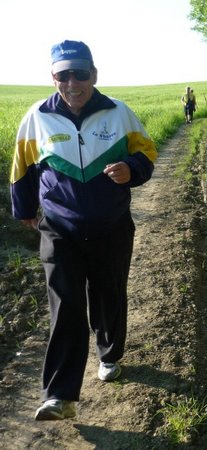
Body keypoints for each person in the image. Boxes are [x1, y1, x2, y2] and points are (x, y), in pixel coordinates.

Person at [9, 40, 157, 420]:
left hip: (111, 226)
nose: (72, 83)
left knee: (109, 294)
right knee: (65, 305)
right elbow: (22, 167)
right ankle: (59, 396)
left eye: (80, 74)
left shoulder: (119, 113)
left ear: (94, 74)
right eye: (64, 75)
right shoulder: (37, 117)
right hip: (60, 228)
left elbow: (146, 154)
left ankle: (109, 355)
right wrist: (24, 209)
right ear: (53, 77)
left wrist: (131, 169)